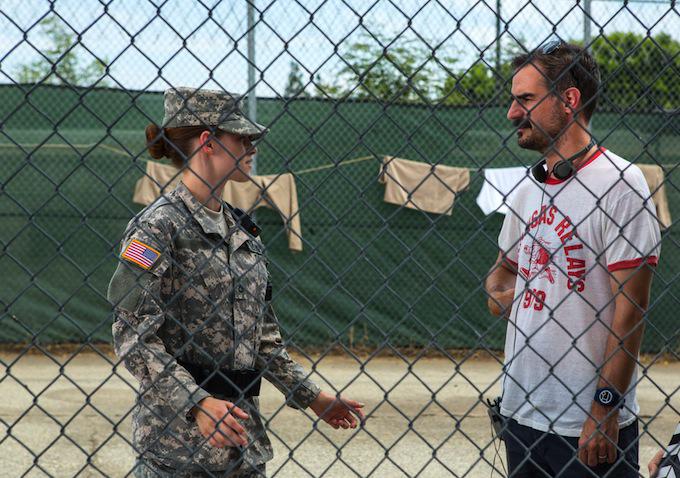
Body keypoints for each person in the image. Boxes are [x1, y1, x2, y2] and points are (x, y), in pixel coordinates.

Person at [108, 87, 365, 477]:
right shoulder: (157, 227)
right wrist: (197, 402)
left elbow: (262, 339)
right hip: (177, 452)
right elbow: (132, 335)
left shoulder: (244, 231)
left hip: (242, 449)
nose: (252, 147)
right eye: (241, 138)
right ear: (208, 142)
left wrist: (313, 398)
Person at [484, 41, 661, 477]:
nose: (511, 112)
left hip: (584, 422)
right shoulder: (528, 188)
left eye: (525, 99)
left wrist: (605, 409)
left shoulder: (622, 183)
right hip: (520, 413)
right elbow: (501, 272)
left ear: (569, 100)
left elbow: (631, 311)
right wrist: (512, 296)